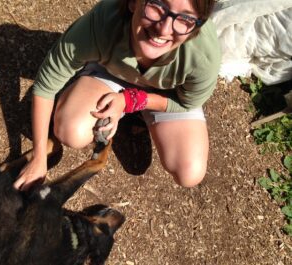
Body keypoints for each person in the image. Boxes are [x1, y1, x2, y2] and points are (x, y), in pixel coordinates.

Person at [13, 0, 221, 191]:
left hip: (166, 93)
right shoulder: (102, 22)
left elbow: (187, 102)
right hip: (114, 72)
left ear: (198, 25)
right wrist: (39, 157)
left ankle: (138, 113)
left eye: (185, 18)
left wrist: (130, 100)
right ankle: (100, 84)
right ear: (133, 2)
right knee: (71, 131)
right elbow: (46, 85)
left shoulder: (203, 55)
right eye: (157, 5)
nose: (164, 28)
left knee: (189, 173)